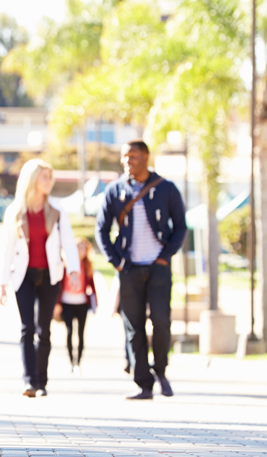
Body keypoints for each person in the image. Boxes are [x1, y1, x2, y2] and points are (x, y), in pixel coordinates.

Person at [95, 140, 186, 400]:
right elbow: (101, 229)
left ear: (146, 157)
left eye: (133, 156)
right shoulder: (115, 191)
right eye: (124, 157)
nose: (127, 161)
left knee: (161, 321)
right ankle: (143, 384)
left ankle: (161, 371)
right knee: (133, 326)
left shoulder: (166, 188)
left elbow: (180, 226)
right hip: (129, 268)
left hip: (158, 267)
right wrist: (117, 261)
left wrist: (165, 257)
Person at [0, 159, 80, 397]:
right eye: (45, 177)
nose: (49, 181)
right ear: (32, 179)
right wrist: (2, 282)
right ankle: (29, 381)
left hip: (50, 276)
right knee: (27, 328)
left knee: (44, 330)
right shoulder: (15, 211)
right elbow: (6, 247)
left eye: (49, 177)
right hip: (23, 275)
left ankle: (41, 382)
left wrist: (73, 270)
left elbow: (68, 241)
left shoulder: (56, 210)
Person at [57, 238, 97, 375]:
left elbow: (92, 285)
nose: (80, 251)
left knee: (81, 333)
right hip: (67, 302)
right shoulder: (65, 264)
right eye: (78, 248)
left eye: (83, 248)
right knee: (69, 332)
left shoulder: (87, 266)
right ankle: (70, 361)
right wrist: (57, 304)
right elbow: (59, 285)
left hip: (82, 303)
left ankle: (78, 362)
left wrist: (95, 303)